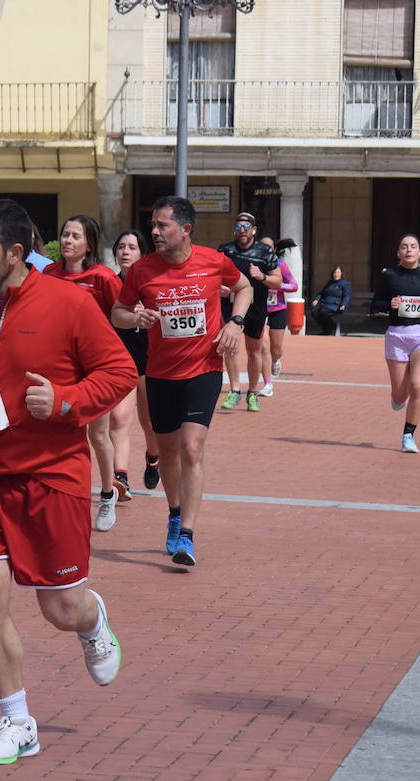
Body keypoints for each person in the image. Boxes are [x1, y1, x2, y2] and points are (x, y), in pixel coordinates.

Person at [0, 198, 135, 765]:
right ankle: (17, 719)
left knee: (59, 610)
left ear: (15, 253)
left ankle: (92, 618)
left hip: (51, 475)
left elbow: (119, 371)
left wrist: (65, 401)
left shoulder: (68, 303)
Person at [112, 195, 251, 567]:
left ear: (185, 229)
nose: (154, 232)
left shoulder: (213, 261)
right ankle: (174, 512)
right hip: (160, 373)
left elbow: (244, 288)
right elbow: (118, 313)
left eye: (162, 226)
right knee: (169, 452)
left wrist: (235, 323)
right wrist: (135, 319)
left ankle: (187, 535)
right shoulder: (143, 270)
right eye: (153, 225)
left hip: (204, 368)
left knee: (192, 448)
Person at [41, 214, 129, 532]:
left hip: (94, 370)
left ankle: (107, 496)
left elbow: (121, 314)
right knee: (54, 434)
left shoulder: (103, 277)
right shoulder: (48, 274)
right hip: (58, 367)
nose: (68, 241)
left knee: (98, 435)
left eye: (76, 236)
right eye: (65, 235)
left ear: (88, 243)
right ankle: (55, 494)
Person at [370, 234, 420, 454]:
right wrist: (389, 304)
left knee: (417, 385)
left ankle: (408, 436)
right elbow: (376, 304)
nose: (409, 250)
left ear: (419, 252)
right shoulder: (390, 275)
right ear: (398, 253)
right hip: (396, 336)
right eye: (404, 247)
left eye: (413, 246)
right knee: (400, 394)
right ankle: (397, 398)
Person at [112, 230, 162, 492]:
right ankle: (121, 477)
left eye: (132, 247)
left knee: (150, 422)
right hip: (119, 363)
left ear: (142, 253)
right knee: (119, 419)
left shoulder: (151, 284)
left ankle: (153, 459)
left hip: (149, 360)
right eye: (121, 247)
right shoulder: (108, 283)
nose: (125, 252)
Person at [216, 213, 281, 413]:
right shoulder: (225, 250)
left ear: (253, 230)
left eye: (246, 227)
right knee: (230, 348)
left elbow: (277, 280)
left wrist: (261, 276)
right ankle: (235, 390)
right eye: (238, 226)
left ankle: (252, 393)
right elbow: (215, 276)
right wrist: (221, 286)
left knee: (254, 351)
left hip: (256, 306)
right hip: (231, 305)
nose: (242, 230)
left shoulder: (264, 252)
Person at [257, 238, 299, 397]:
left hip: (278, 310)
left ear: (274, 250)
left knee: (276, 349)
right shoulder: (254, 264)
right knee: (263, 346)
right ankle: (268, 384)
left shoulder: (280, 265)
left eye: (269, 248)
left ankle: (275, 360)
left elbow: (294, 285)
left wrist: (277, 284)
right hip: (260, 310)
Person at [311, 266, 352, 336]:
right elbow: (322, 293)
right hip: (326, 304)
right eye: (335, 272)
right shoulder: (330, 283)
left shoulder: (345, 283)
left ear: (341, 273)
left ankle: (331, 327)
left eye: (338, 272)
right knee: (314, 312)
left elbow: (347, 295)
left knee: (323, 312)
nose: (336, 274)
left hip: (336, 305)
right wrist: (316, 299)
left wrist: (344, 304)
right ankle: (326, 329)